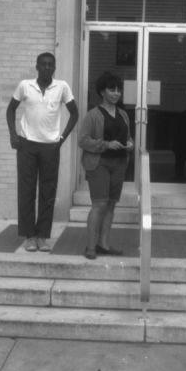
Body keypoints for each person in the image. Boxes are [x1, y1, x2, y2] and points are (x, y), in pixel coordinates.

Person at [6, 52, 78, 252]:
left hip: (50, 147)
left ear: (54, 68)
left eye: (50, 65)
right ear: (36, 66)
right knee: (27, 191)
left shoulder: (62, 87)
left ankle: (43, 236)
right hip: (27, 144)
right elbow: (10, 109)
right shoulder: (25, 86)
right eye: (43, 64)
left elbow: (75, 113)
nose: (47, 67)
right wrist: (13, 135)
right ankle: (29, 236)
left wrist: (61, 139)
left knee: (48, 192)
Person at [78, 72, 134, 260]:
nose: (116, 93)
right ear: (102, 92)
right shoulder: (93, 114)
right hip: (99, 163)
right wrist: (105, 144)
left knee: (110, 205)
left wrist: (130, 144)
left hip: (119, 163)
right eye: (112, 90)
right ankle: (91, 246)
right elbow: (83, 140)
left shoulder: (124, 114)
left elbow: (127, 137)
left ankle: (104, 244)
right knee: (99, 204)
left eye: (119, 90)